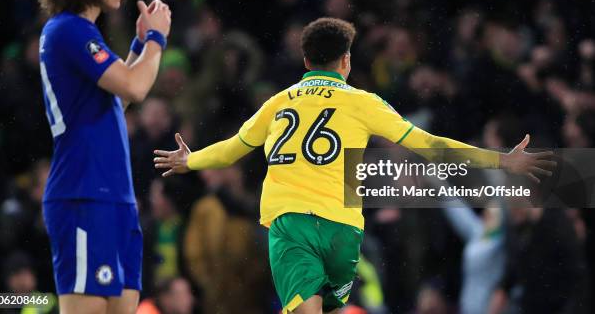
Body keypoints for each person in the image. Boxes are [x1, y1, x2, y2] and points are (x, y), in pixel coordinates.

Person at [154, 18, 554, 314]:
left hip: (291, 220)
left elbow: (229, 151)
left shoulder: (277, 103)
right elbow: (431, 146)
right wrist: (502, 160)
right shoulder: (363, 102)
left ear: (306, 59)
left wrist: (189, 159)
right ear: (345, 61)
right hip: (342, 228)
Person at [35, 0, 171, 314]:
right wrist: (158, 39)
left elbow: (120, 97)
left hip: (115, 198)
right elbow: (136, 86)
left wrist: (141, 45)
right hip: (83, 193)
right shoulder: (67, 30)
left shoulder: (82, 33)